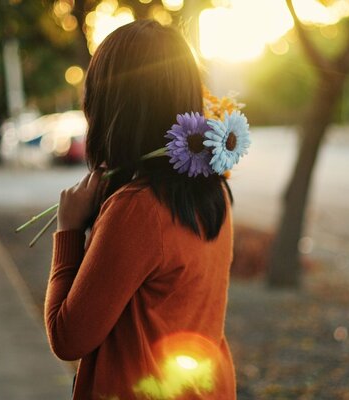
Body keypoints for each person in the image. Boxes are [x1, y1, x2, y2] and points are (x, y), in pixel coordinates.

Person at [44, 20, 237, 400]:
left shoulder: (139, 207)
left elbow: (67, 337)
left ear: (110, 103)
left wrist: (67, 230)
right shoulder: (214, 189)